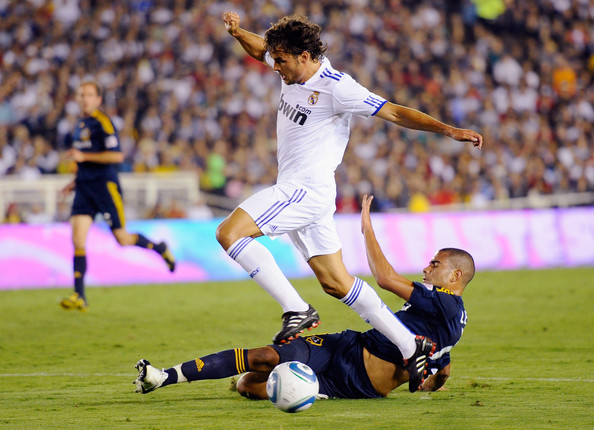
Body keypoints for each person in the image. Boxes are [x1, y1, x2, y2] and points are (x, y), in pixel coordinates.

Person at [217, 12, 482, 387]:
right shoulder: (289, 66)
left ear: (305, 56)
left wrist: (447, 130)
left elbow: (392, 111)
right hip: (311, 193)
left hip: (303, 190)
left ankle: (296, 309)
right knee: (337, 284)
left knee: (229, 234)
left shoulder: (337, 87)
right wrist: (237, 32)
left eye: (281, 60)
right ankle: (410, 346)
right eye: (274, 58)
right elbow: (260, 48)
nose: (274, 66)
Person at [133, 194, 475, 396]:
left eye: (436, 263)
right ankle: (164, 376)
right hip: (349, 345)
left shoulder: (444, 300)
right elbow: (442, 368)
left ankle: (285, 381)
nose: (427, 268)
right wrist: (432, 386)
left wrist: (368, 229)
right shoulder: (451, 322)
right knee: (263, 360)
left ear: (455, 275)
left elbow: (385, 278)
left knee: (249, 387)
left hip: (355, 384)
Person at [59, 80, 176, 312]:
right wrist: (73, 182)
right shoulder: (80, 123)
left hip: (105, 187)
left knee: (122, 239)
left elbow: (116, 157)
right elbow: (85, 160)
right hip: (84, 188)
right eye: (82, 94)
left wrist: (83, 157)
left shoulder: (104, 123)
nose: (84, 98)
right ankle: (79, 295)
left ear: (98, 100)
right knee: (78, 239)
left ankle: (160, 247)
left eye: (89, 95)